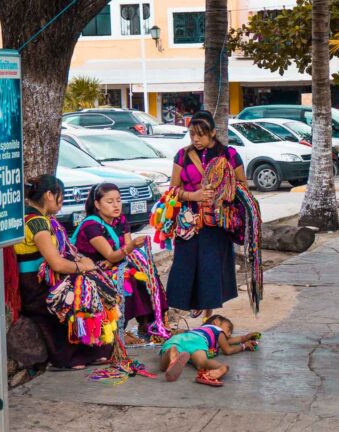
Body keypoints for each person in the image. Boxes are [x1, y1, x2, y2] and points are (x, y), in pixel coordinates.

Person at [15, 175, 112, 369]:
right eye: (61, 195)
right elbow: (57, 264)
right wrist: (83, 267)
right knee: (75, 298)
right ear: (50, 195)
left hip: (44, 281)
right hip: (36, 287)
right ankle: (73, 356)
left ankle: (93, 350)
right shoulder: (37, 224)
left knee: (92, 286)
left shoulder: (40, 220)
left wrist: (81, 262)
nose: (62, 201)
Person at [168, 110, 247, 320]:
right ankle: (189, 305)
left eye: (201, 134)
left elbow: (243, 187)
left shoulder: (229, 155)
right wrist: (193, 195)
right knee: (185, 264)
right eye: (192, 134)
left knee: (211, 268)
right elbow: (173, 190)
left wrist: (223, 194)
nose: (196, 139)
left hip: (217, 222)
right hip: (189, 222)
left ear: (213, 133)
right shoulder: (182, 155)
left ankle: (208, 315)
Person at [71, 183, 168, 344]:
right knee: (127, 277)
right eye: (110, 202)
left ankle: (150, 322)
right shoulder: (91, 226)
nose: (116, 205)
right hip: (91, 269)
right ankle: (121, 328)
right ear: (97, 204)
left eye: (118, 200)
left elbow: (123, 254)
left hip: (113, 263)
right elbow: (115, 252)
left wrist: (118, 257)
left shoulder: (121, 220)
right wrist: (126, 250)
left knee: (145, 271)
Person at [160, 314, 260, 386]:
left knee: (164, 365)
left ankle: (172, 354)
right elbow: (227, 349)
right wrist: (243, 346)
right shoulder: (217, 330)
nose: (229, 334)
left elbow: (234, 340)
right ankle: (220, 368)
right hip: (197, 342)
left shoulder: (199, 329)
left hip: (180, 338)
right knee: (202, 362)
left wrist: (246, 337)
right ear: (216, 322)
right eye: (228, 329)